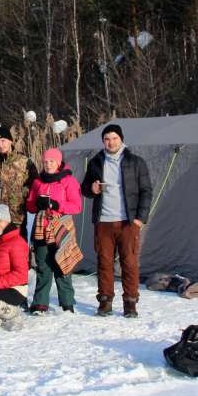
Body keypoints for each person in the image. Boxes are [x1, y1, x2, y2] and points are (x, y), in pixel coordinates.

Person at [80, 124, 152, 318]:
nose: (110, 142)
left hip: (128, 222)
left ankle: (130, 303)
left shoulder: (135, 162)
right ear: (103, 141)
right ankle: (105, 301)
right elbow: (84, 188)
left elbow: (146, 190)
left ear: (121, 139)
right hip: (103, 222)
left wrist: (140, 219)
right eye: (106, 139)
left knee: (129, 263)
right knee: (104, 263)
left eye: (114, 138)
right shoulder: (96, 162)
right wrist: (92, 189)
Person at [25, 148, 82, 315]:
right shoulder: (38, 182)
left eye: (52, 161)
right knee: (43, 265)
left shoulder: (68, 181)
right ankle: (40, 303)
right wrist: (37, 205)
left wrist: (57, 205)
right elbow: (30, 205)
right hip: (41, 228)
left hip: (61, 226)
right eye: (45, 162)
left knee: (62, 264)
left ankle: (67, 302)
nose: (48, 165)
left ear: (58, 162)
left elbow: (76, 206)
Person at [0, 126, 38, 241]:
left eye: (3, 141)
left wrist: (21, 193)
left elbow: (35, 184)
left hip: (16, 216)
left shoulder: (25, 161)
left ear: (10, 140)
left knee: (19, 253)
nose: (1, 145)